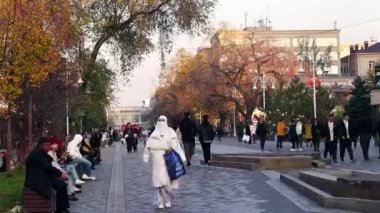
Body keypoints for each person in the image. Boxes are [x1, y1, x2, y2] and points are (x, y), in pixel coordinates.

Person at [143, 115, 186, 209]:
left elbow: (176, 145)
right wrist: (146, 156)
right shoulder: (154, 133)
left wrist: (182, 156)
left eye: (163, 120)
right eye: (160, 120)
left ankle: (166, 200)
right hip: (157, 159)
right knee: (159, 180)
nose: (162, 122)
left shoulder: (170, 132)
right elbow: (148, 146)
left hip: (169, 158)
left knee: (167, 179)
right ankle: (161, 201)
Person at [25, 137, 70, 213]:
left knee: (62, 185)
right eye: (47, 145)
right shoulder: (37, 153)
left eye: (50, 145)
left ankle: (63, 208)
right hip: (36, 181)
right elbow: (47, 167)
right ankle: (61, 209)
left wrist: (58, 175)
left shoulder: (41, 153)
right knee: (61, 186)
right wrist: (60, 174)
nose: (49, 147)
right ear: (41, 145)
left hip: (41, 177)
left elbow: (50, 162)